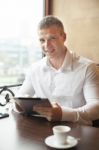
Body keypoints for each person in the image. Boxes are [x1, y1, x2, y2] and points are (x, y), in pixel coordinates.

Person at [16, 15, 99, 126]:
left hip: (79, 133)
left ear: (64, 37)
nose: (46, 45)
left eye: (52, 38)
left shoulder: (88, 67)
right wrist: (18, 106)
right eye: (42, 40)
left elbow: (96, 107)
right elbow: (20, 97)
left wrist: (63, 114)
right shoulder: (34, 69)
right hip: (42, 131)